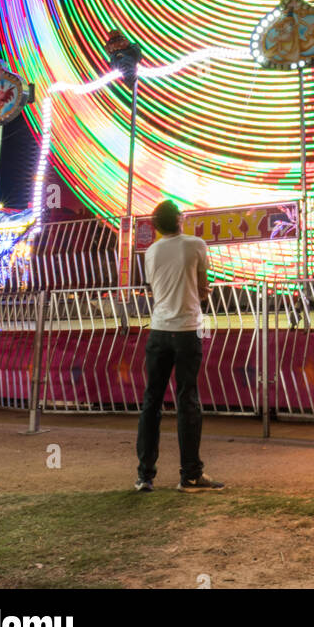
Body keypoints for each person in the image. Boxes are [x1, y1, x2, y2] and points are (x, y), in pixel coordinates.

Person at [135, 199, 223, 493]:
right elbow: (202, 287)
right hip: (187, 331)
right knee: (187, 401)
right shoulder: (196, 245)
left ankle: (145, 475)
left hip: (158, 331)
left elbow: (154, 287)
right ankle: (191, 475)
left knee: (151, 402)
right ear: (180, 219)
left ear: (156, 226)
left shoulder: (151, 251)